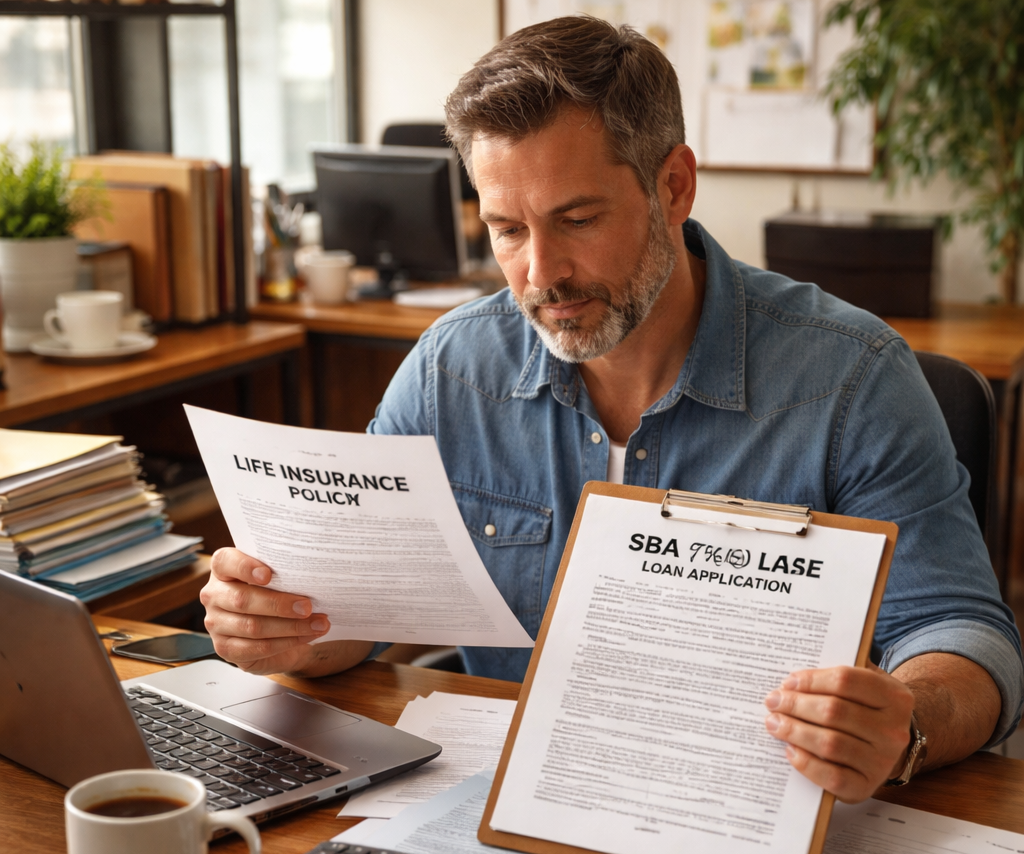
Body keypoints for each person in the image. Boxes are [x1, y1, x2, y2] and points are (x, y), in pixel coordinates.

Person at [201, 16, 1022, 803]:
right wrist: (287, 627)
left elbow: (968, 639)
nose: (540, 273)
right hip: (502, 807)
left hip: (757, 811)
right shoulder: (452, 370)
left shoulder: (852, 378)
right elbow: (359, 618)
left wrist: (905, 724)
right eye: (506, 229)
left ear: (674, 187)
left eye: (578, 219)